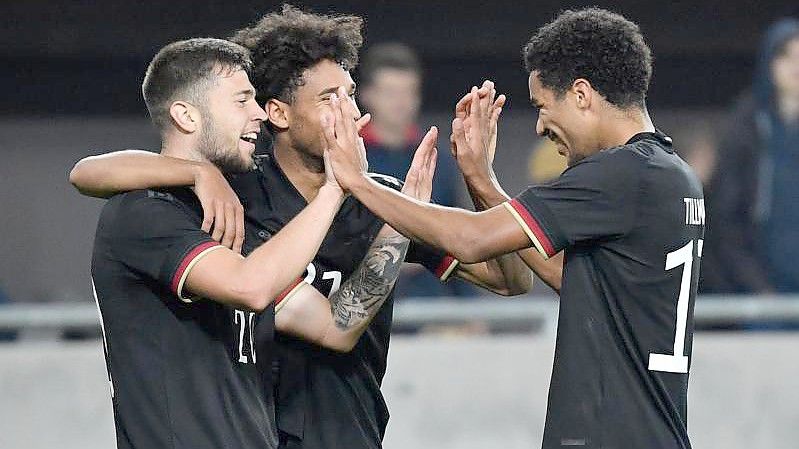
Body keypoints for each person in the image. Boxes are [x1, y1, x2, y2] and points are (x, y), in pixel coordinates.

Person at [70, 5, 533, 449]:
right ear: (279, 114)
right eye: (330, 99)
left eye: (351, 94)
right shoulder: (237, 196)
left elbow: (510, 279)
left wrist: (479, 181)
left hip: (350, 430)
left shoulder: (380, 199)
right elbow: (89, 172)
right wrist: (198, 172)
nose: (350, 112)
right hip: (266, 429)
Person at [324, 8, 703, 449]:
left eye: (543, 106)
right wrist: (484, 183)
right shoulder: (670, 175)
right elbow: (571, 277)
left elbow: (471, 240)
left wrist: (356, 181)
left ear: (581, 95)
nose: (540, 125)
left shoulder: (619, 174)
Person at [358, 42, 469, 298]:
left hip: (432, 301)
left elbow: (455, 236)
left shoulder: (436, 159)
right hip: (361, 298)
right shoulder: (349, 159)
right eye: (390, 93)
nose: (401, 102)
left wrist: (468, 309)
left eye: (408, 92)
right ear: (367, 95)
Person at [703, 18, 799, 294]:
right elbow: (726, 219)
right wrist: (757, 289)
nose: (795, 65)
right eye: (786, 55)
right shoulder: (745, 126)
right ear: (769, 61)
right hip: (760, 295)